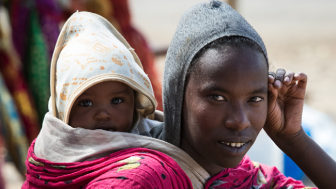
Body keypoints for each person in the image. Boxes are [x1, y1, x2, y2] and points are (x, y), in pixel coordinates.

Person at [143, 1, 336, 188]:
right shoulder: (139, 180)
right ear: (177, 95)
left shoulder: (254, 179)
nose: (240, 121)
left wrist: (292, 138)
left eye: (254, 99)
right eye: (218, 98)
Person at [22, 11, 195, 189]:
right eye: (86, 103)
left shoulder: (156, 138)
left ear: (135, 102)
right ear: (63, 109)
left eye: (117, 101)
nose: (103, 114)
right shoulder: (49, 154)